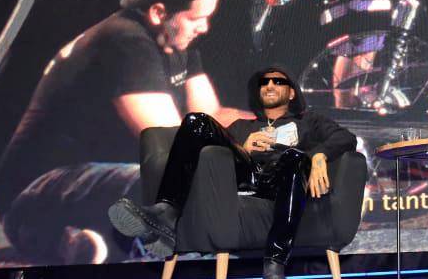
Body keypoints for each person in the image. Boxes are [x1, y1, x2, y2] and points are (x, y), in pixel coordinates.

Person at [0, 0, 245, 264]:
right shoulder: (125, 40)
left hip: (94, 189)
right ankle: (67, 240)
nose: (203, 28)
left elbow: (212, 116)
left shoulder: (178, 43)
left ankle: (87, 245)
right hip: (33, 196)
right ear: (158, 12)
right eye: (196, 18)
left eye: (208, 18)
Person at [108, 66, 356, 279]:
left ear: (291, 92)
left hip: (285, 178)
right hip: (246, 177)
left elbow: (345, 137)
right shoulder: (242, 126)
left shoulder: (308, 121)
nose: (269, 85)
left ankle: (275, 262)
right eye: (264, 82)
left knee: (295, 157)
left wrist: (318, 156)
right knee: (196, 121)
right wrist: (244, 147)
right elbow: (218, 156)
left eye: (278, 81)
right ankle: (166, 213)